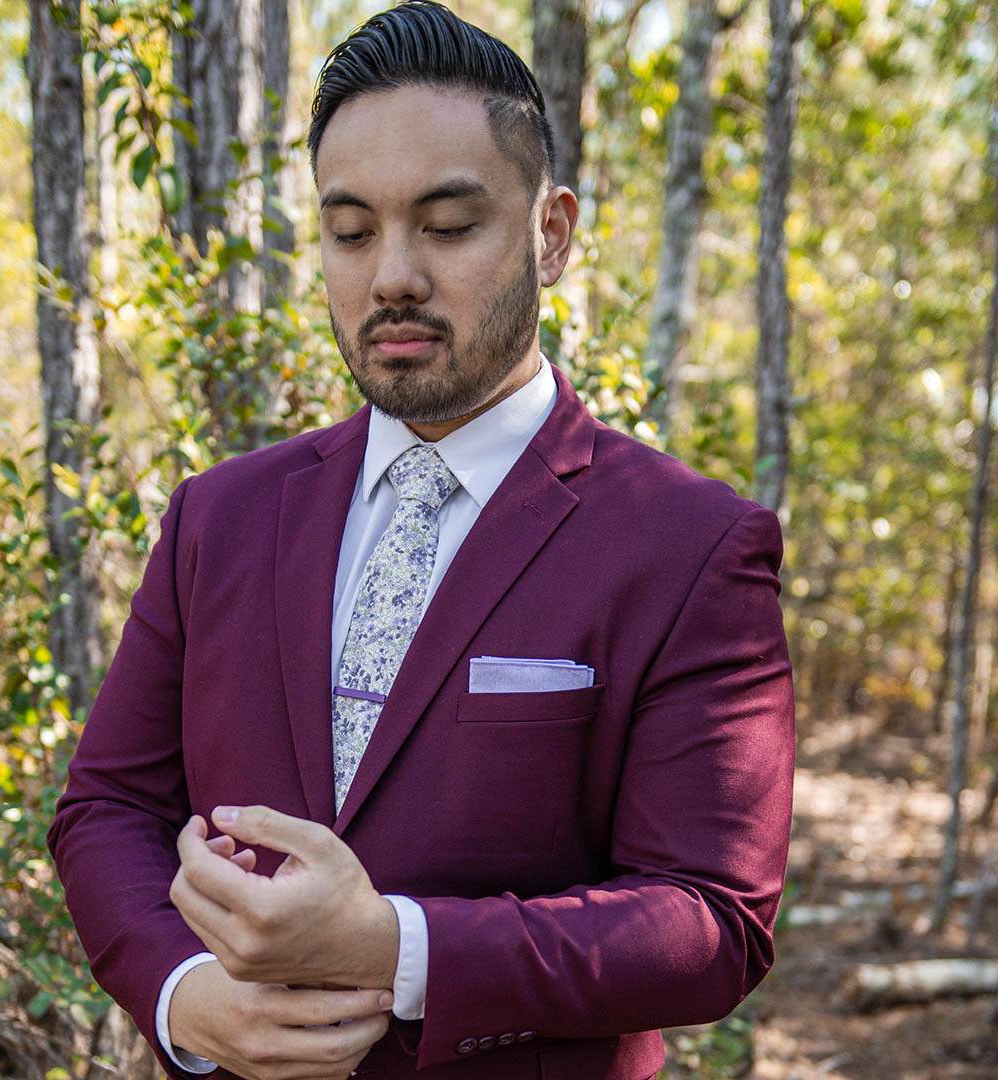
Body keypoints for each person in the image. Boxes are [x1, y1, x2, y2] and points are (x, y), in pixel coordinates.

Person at [48, 3, 795, 1079]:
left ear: (551, 234)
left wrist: (400, 947)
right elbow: (107, 806)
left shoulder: (690, 544)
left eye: (446, 226)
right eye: (350, 231)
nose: (390, 273)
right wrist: (183, 994)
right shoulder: (221, 515)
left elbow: (713, 920)